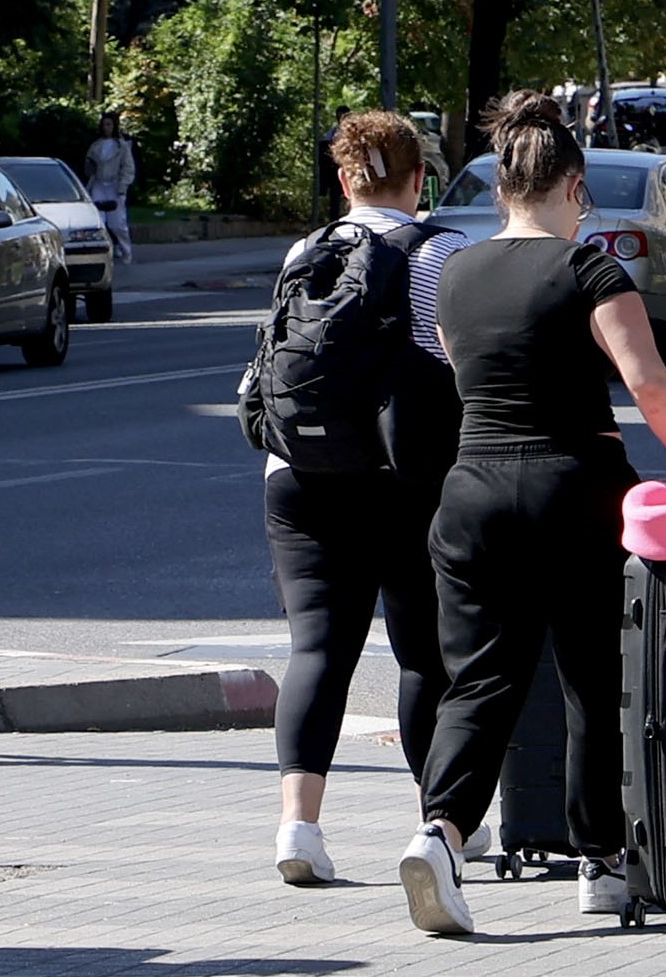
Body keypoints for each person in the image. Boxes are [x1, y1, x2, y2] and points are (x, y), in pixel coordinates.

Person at [395, 91, 666, 935]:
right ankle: (601, 861)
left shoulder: (454, 271)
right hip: (576, 487)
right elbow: (648, 382)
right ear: (574, 187)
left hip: (472, 492)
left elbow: (460, 367)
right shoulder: (589, 268)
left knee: (481, 678)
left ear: (504, 185)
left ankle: (439, 833)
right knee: (594, 676)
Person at [263, 111, 472, 886]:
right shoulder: (444, 254)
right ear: (421, 179)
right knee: (423, 656)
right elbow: (467, 364)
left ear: (345, 179)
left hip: (297, 476)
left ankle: (298, 826)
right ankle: (438, 824)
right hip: (402, 477)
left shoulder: (307, 250)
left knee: (318, 649)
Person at [85, 111, 139, 262]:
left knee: (117, 223)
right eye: (103, 125)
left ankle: (125, 250)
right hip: (99, 184)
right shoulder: (96, 145)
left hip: (115, 185)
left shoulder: (121, 146)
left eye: (109, 124)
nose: (105, 128)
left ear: (114, 126)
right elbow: (89, 165)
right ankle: (103, 251)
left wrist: (123, 186)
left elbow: (128, 168)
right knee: (99, 220)